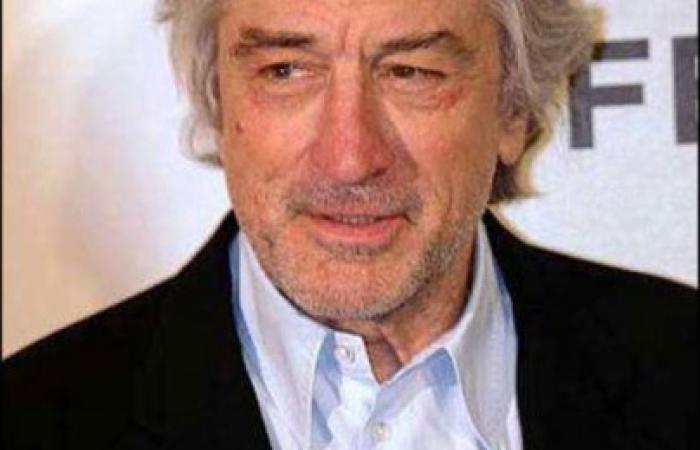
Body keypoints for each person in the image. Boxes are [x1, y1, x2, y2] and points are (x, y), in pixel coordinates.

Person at [4, 0, 696, 449]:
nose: (350, 157)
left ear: (512, 110)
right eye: (286, 70)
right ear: (219, 101)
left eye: (412, 72)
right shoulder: (33, 420)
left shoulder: (681, 368)